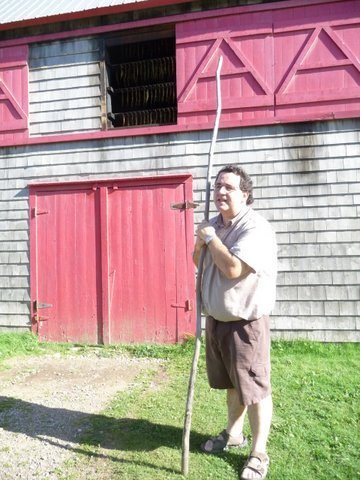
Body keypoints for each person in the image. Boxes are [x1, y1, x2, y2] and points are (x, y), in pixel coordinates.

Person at [193, 165, 277, 480]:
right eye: (217, 187)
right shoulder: (214, 224)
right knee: (232, 385)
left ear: (245, 193)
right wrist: (201, 243)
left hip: (245, 323)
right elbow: (198, 262)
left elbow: (232, 269)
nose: (220, 192)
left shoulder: (254, 228)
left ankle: (258, 453)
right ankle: (234, 434)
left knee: (254, 389)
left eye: (228, 187)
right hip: (217, 319)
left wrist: (211, 238)